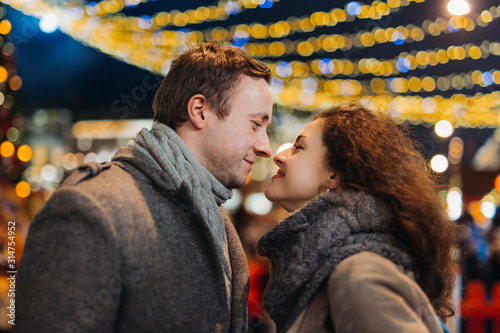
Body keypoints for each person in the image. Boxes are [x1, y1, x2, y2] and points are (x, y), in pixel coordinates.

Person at [16, 42, 273, 332]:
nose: (266, 147)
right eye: (255, 124)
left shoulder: (214, 216)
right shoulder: (92, 205)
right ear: (200, 110)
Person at [257, 103, 456, 332]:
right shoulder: (329, 262)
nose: (279, 156)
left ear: (334, 175)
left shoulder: (357, 272)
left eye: (299, 147)